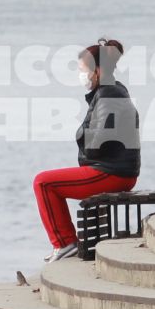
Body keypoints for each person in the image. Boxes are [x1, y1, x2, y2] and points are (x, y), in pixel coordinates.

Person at [33, 39, 141, 261]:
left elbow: (98, 144)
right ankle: (65, 243)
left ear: (97, 71)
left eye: (83, 70)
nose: (81, 75)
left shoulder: (109, 96)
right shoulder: (110, 91)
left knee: (43, 183)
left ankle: (64, 243)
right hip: (114, 170)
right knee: (46, 182)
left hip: (112, 173)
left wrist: (81, 136)